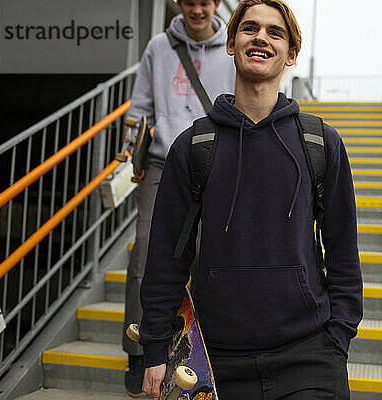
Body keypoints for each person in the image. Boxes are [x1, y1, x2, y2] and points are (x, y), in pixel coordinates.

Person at [140, 0, 363, 399]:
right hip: (215, 361)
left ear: (291, 54)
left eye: (275, 33)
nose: (261, 37)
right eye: (250, 28)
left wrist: (339, 337)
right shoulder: (193, 147)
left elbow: (344, 251)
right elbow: (164, 260)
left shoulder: (320, 144)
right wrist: (156, 348)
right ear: (231, 42)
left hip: (310, 358)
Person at [122, 0, 235, 396]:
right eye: (190, 2)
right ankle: (138, 349)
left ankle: (200, 354)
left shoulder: (232, 48)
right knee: (145, 257)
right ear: (179, 3)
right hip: (161, 162)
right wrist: (128, 154)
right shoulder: (158, 47)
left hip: (215, 166)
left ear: (216, 3)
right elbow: (139, 109)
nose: (197, 10)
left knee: (209, 258)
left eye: (204, 2)